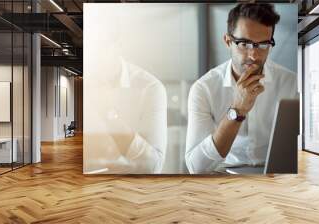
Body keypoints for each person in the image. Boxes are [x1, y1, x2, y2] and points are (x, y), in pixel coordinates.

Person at [185, 3, 298, 174]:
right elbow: (196, 166)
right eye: (244, 43)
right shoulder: (204, 89)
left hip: (276, 177)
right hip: (224, 176)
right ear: (228, 41)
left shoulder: (291, 83)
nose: (253, 55)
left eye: (263, 44)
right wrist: (237, 110)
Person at [84, 42, 167, 174]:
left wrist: (108, 114)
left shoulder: (149, 88)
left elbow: (153, 166)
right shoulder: (85, 79)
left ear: (117, 44)